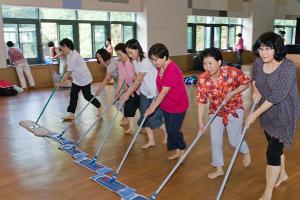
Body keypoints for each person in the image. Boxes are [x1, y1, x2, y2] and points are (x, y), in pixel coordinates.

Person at [246, 31, 300, 200]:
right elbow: (254, 77)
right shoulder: (258, 62)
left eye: (268, 49)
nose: (264, 53)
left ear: (276, 49)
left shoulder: (288, 67)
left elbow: (276, 97)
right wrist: (255, 89)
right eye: (261, 49)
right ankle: (282, 174)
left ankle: (267, 192)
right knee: (274, 147)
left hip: (285, 113)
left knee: (272, 153)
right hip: (267, 113)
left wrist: (253, 115)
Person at [196, 47, 251, 179]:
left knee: (233, 141)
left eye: (210, 63)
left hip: (234, 109)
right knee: (215, 141)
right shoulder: (202, 80)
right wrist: (200, 123)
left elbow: (246, 83)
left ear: (219, 62)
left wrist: (232, 93)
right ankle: (219, 168)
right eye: (205, 64)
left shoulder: (231, 72)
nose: (207, 67)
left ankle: (245, 150)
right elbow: (201, 101)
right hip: (216, 112)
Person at [145, 43, 188, 159]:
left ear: (164, 57)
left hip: (178, 104)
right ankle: (178, 151)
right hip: (167, 104)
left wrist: (152, 107)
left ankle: (182, 149)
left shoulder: (171, 70)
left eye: (155, 60)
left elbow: (164, 91)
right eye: (152, 60)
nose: (154, 63)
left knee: (174, 130)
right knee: (169, 129)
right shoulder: (161, 66)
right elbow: (161, 87)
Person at [122, 39, 167, 148]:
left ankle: (167, 133)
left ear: (137, 50)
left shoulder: (146, 60)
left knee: (152, 118)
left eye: (130, 52)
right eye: (127, 53)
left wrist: (128, 92)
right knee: (144, 117)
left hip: (154, 92)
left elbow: (139, 79)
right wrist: (134, 79)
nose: (129, 55)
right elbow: (139, 77)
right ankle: (151, 140)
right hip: (144, 92)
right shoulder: (134, 61)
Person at [58, 38, 101, 121]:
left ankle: (99, 107)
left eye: (63, 47)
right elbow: (70, 66)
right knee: (73, 95)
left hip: (84, 79)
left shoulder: (74, 55)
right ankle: (71, 114)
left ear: (68, 46)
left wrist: (60, 83)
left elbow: (68, 72)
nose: (61, 49)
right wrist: (67, 65)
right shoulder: (69, 53)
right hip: (77, 79)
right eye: (61, 47)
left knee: (87, 96)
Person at [114, 43, 140, 133]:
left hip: (140, 89)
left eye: (120, 54)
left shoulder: (133, 62)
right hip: (130, 89)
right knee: (128, 108)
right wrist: (117, 91)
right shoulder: (120, 64)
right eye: (117, 55)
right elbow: (121, 77)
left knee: (142, 108)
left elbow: (137, 77)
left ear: (126, 53)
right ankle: (131, 127)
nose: (118, 57)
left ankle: (145, 127)